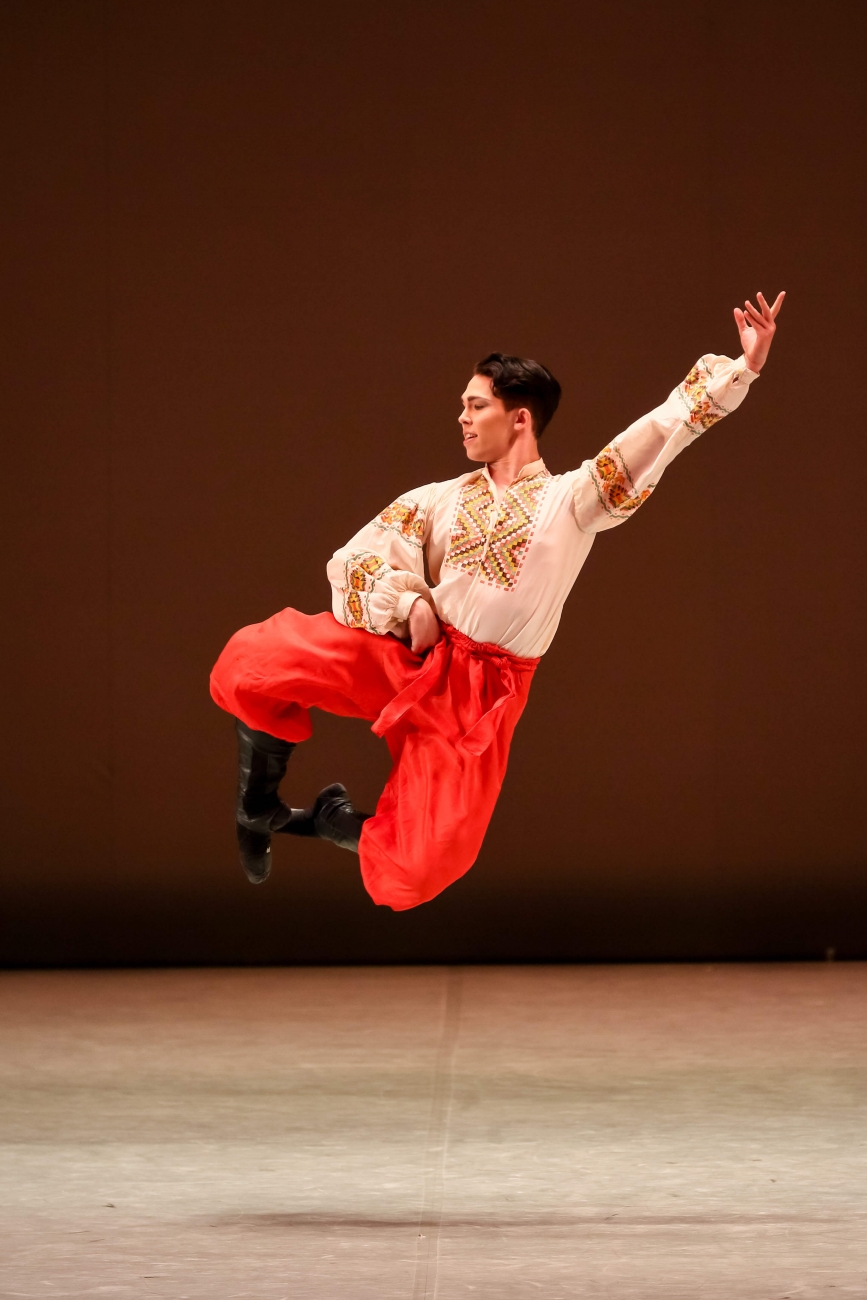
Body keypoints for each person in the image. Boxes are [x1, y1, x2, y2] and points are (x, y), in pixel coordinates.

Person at [210, 291, 785, 909]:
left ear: (520, 418)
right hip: (416, 660)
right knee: (253, 660)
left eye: (475, 405)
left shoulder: (573, 501)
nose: (462, 417)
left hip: (480, 701)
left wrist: (742, 369)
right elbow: (355, 559)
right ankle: (256, 807)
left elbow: (660, 432)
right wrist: (410, 606)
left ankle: (327, 819)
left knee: (420, 867)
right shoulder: (438, 499)